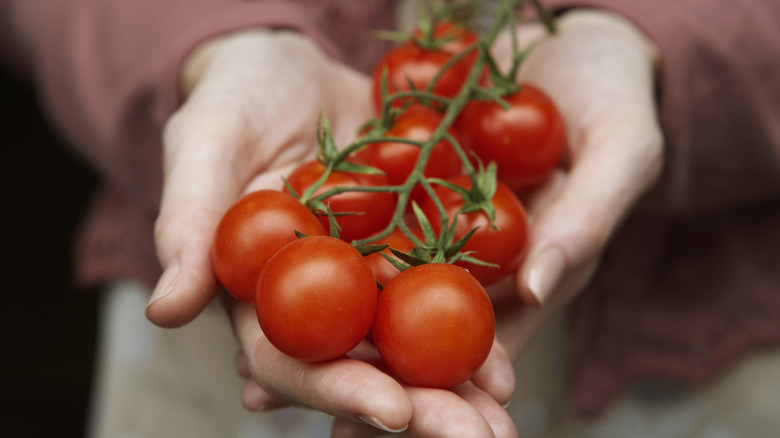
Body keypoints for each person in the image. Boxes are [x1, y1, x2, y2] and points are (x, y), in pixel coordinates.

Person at [3, 0, 779, 437]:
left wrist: (653, 39)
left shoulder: (376, 199)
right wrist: (213, 43)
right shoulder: (384, 203)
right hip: (203, 385)